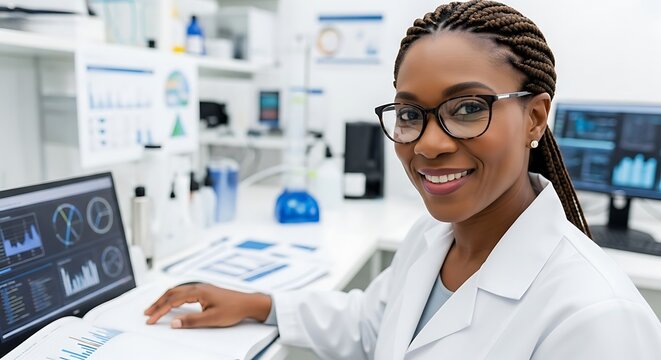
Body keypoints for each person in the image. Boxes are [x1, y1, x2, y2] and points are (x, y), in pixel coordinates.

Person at [144, 1, 661, 358]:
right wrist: (259, 304)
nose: (429, 144)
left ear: (534, 117)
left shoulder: (596, 319)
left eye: (466, 108)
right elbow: (373, 323)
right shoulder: (433, 239)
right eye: (411, 113)